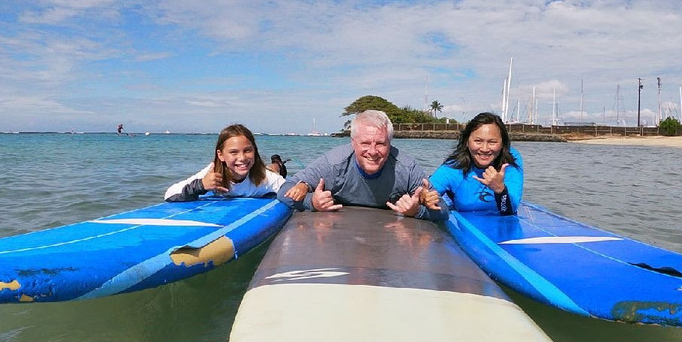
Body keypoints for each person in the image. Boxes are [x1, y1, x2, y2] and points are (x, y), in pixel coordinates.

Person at [278, 110, 447, 221]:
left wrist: (417, 211)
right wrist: (312, 202)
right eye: (365, 143)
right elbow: (284, 191)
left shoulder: (406, 168)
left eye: (380, 143)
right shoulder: (334, 163)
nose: (372, 151)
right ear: (353, 143)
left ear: (390, 143)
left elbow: (443, 210)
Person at [429, 112, 523, 215]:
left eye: (492, 142)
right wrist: (425, 197)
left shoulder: (511, 161)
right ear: (467, 142)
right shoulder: (454, 166)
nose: (484, 149)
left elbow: (510, 210)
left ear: (502, 144)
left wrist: (500, 189)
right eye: (478, 141)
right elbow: (427, 191)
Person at [165, 124, 285, 201]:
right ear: (221, 155)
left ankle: (277, 164)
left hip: (264, 170)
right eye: (234, 152)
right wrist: (200, 185)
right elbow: (169, 194)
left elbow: (288, 189)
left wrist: (296, 188)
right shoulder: (212, 173)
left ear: (255, 150)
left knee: (273, 170)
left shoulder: (265, 178)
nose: (242, 157)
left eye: (247, 150)